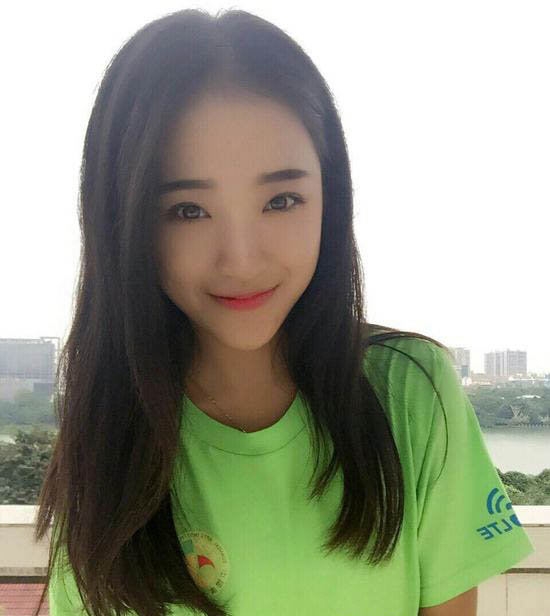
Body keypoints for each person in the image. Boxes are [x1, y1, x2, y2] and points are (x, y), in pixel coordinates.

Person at [33, 8, 535, 616]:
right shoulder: (110, 433)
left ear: (330, 197)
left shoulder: (409, 392)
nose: (242, 260)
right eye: (188, 210)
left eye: (282, 200)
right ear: (124, 221)